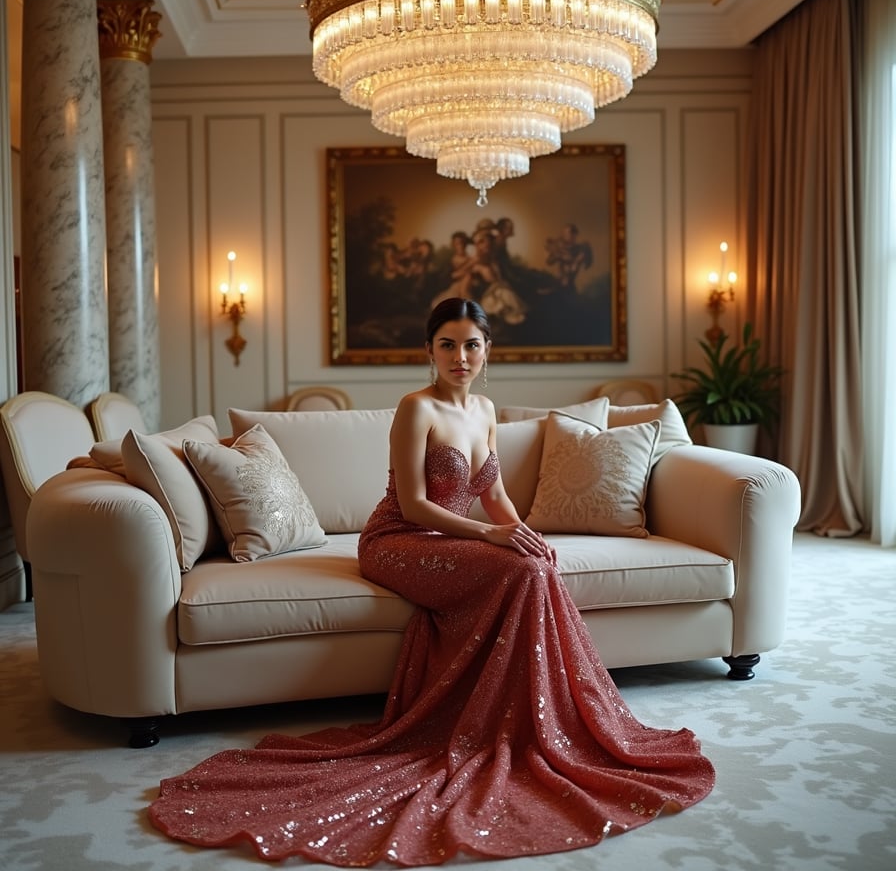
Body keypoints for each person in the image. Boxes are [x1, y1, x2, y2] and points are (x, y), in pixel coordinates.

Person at [147, 298, 714, 866]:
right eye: (447, 344)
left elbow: (493, 494)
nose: (460, 356)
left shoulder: (486, 409)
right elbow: (415, 504)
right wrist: (490, 539)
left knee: (537, 564)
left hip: (448, 538)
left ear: (487, 350)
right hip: (397, 541)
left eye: (471, 344)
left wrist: (520, 531)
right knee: (518, 569)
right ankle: (521, 724)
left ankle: (544, 722)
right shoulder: (415, 408)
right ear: (429, 350)